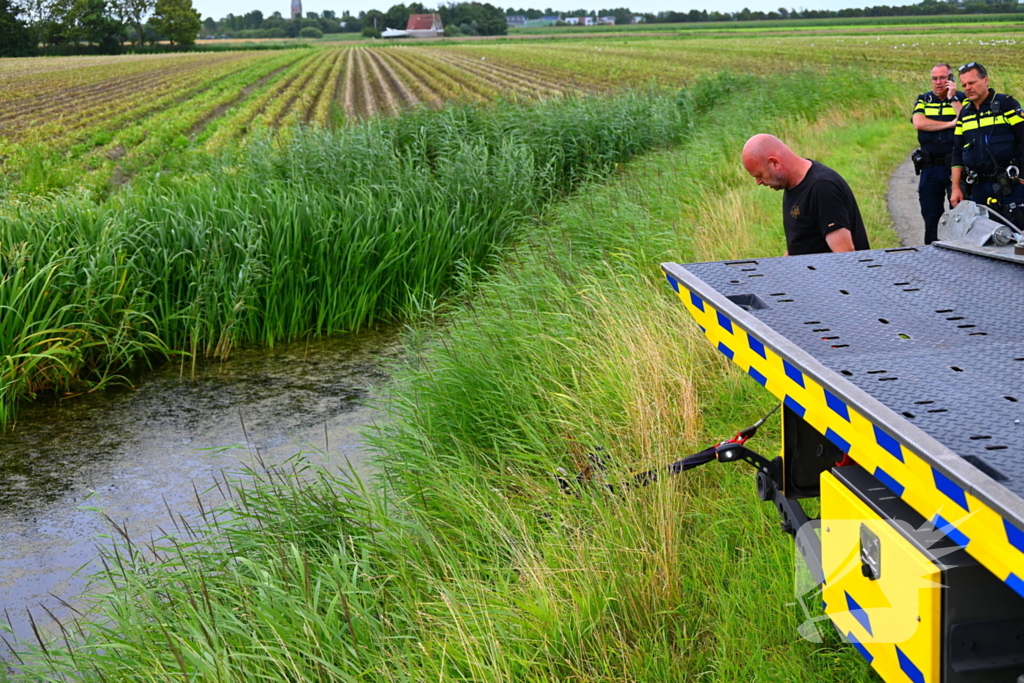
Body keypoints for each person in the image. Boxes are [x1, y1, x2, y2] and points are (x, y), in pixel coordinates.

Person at [741, 134, 870, 256]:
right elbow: (801, 245)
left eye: (759, 175)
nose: (758, 182)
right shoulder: (793, 186)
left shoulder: (822, 187)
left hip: (834, 278)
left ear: (775, 163)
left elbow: (845, 254)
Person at [950, 62, 1024, 226]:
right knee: (982, 241)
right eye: (964, 85)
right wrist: (955, 187)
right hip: (978, 190)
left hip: (1010, 187)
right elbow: (957, 152)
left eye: (972, 83)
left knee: (1016, 242)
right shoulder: (965, 113)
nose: (968, 88)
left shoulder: (1006, 104)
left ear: (986, 81)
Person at [912, 63, 964, 244]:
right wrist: (950, 124)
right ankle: (931, 252)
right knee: (931, 215)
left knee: (959, 216)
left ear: (951, 79)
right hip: (930, 167)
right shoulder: (923, 99)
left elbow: (965, 120)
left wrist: (952, 98)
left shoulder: (963, 99)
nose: (938, 82)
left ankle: (960, 254)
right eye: (934, 79)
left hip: (955, 167)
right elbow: (919, 123)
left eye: (943, 78)